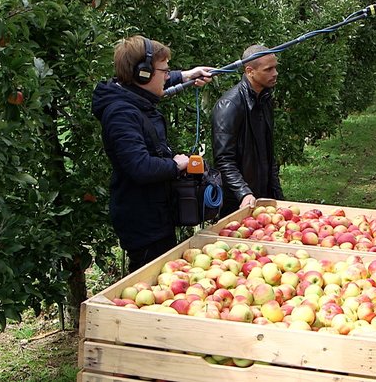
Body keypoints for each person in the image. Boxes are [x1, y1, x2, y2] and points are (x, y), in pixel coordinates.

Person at [91, 35, 214, 272]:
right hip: (143, 224)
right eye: (165, 71)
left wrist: (188, 74)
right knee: (151, 282)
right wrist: (176, 164)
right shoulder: (121, 114)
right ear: (143, 74)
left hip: (156, 214)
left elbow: (161, 81)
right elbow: (140, 167)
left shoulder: (133, 96)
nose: (168, 76)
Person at [211, 44, 284, 217]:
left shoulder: (264, 99)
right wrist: (244, 193)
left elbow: (268, 153)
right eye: (269, 69)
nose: (275, 73)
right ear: (250, 71)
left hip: (261, 196)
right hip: (237, 202)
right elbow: (224, 160)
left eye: (275, 67)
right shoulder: (229, 105)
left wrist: (277, 196)